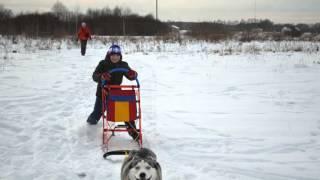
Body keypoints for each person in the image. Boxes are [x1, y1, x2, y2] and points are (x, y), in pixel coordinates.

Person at [87, 44, 139, 140]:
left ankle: (133, 131)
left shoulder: (123, 64)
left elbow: (131, 75)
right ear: (109, 55)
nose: (115, 57)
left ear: (120, 56)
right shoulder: (103, 64)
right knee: (98, 112)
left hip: (116, 94)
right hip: (102, 93)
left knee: (125, 111)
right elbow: (94, 76)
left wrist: (133, 74)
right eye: (113, 55)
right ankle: (90, 125)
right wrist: (102, 76)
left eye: (117, 55)